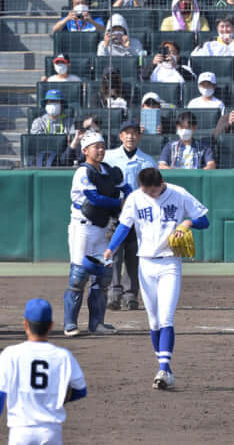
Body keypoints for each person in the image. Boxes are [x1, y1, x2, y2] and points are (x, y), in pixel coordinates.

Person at [104, 167, 209, 390]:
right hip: (146, 265)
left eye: (152, 191)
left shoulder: (179, 194)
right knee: (153, 322)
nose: (149, 195)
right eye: (146, 191)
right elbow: (125, 225)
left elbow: (204, 219)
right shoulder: (135, 197)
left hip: (170, 263)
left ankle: (163, 367)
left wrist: (187, 223)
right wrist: (111, 248)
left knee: (166, 318)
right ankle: (165, 371)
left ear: (162, 182)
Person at [0, 298, 87, 445]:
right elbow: (80, 391)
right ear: (51, 326)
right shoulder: (63, 356)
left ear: (25, 324)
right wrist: (59, 397)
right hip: (51, 431)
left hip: (20, 431)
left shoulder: (11, 354)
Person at [65, 131, 129, 337]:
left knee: (103, 277)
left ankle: (97, 323)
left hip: (103, 228)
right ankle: (70, 324)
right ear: (85, 151)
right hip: (83, 228)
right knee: (78, 276)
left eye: (102, 146)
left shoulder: (110, 171)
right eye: (95, 146)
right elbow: (94, 199)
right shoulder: (83, 172)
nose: (100, 150)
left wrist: (129, 198)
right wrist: (119, 203)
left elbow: (126, 188)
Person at [103, 120, 156, 311]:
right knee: (114, 253)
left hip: (139, 215)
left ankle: (131, 294)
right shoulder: (109, 158)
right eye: (126, 132)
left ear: (139, 136)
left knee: (134, 255)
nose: (130, 136)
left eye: (134, 133)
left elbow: (153, 189)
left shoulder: (148, 161)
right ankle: (113, 292)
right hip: (115, 212)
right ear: (120, 136)